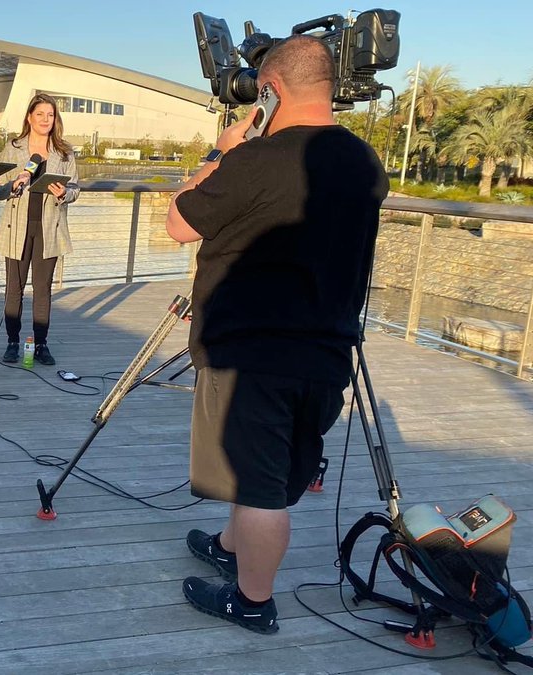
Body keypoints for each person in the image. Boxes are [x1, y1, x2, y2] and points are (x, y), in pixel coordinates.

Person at [164, 35, 388, 633]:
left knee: (260, 485)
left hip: (251, 349)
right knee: (265, 469)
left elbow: (179, 224)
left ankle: (253, 601)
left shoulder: (255, 160)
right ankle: (231, 548)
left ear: (271, 90)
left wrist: (221, 150)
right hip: (327, 347)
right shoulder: (363, 160)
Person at [0, 93, 79, 366]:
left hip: (49, 228)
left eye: (50, 115)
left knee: (43, 289)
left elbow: (75, 189)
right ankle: (13, 342)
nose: (46, 120)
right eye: (40, 114)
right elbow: (0, 191)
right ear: (29, 117)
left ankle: (41, 345)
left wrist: (63, 193)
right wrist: (2, 188)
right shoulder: (14, 147)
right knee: (14, 288)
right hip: (17, 228)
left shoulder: (65, 152)